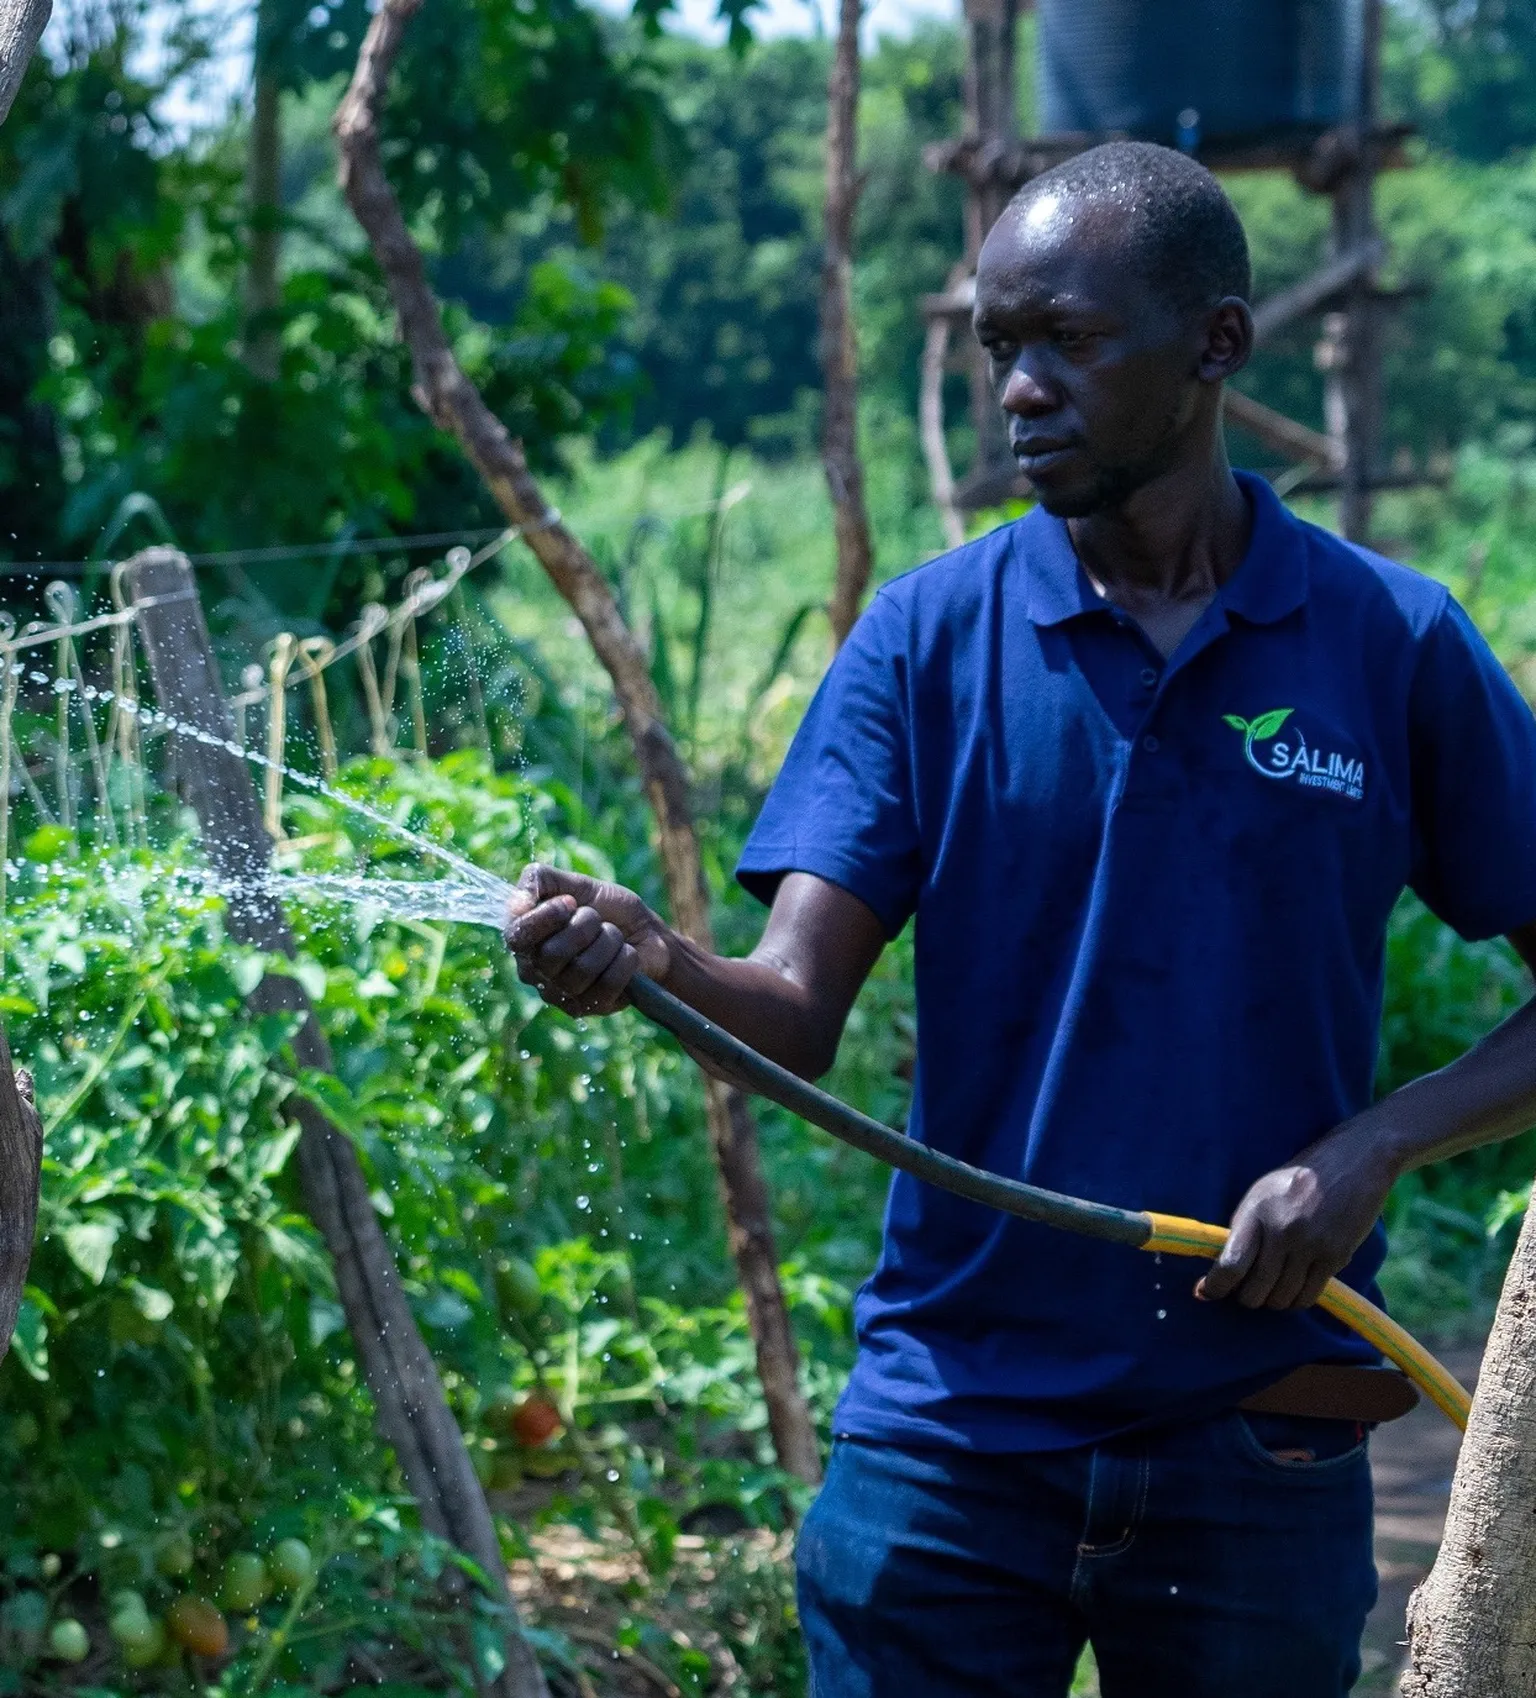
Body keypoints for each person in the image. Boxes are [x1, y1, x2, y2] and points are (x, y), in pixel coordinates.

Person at [503, 141, 1536, 1697]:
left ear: (1218, 344)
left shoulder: (1388, 643)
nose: (1022, 390)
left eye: (1070, 340)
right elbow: (790, 1005)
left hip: (1261, 1428)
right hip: (953, 1435)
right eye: (999, 348)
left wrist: (1370, 1147)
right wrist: (652, 963)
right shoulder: (927, 640)